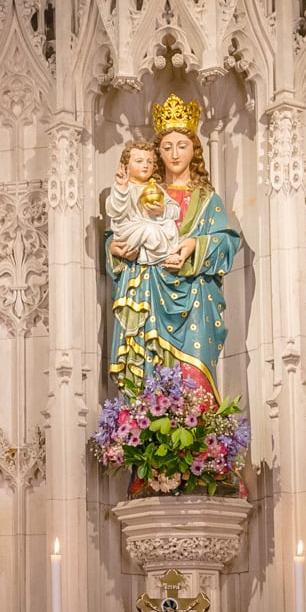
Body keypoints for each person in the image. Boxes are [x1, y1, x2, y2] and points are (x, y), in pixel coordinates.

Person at [103, 94, 243, 398]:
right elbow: (119, 230)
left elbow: (228, 242)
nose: (175, 154)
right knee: (147, 371)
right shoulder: (142, 192)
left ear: (195, 151)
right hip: (148, 290)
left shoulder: (206, 199)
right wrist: (113, 250)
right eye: (167, 148)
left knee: (193, 377)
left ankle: (203, 441)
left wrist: (194, 245)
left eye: (182, 146)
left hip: (194, 299)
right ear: (157, 154)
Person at [105, 139, 178, 265]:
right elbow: (115, 211)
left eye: (149, 162)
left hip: (153, 226)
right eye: (139, 161)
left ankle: (151, 254)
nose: (145, 165)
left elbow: (175, 209)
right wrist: (121, 188)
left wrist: (163, 210)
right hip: (130, 230)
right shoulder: (123, 186)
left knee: (170, 225)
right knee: (149, 230)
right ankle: (163, 257)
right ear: (125, 165)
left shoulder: (155, 187)